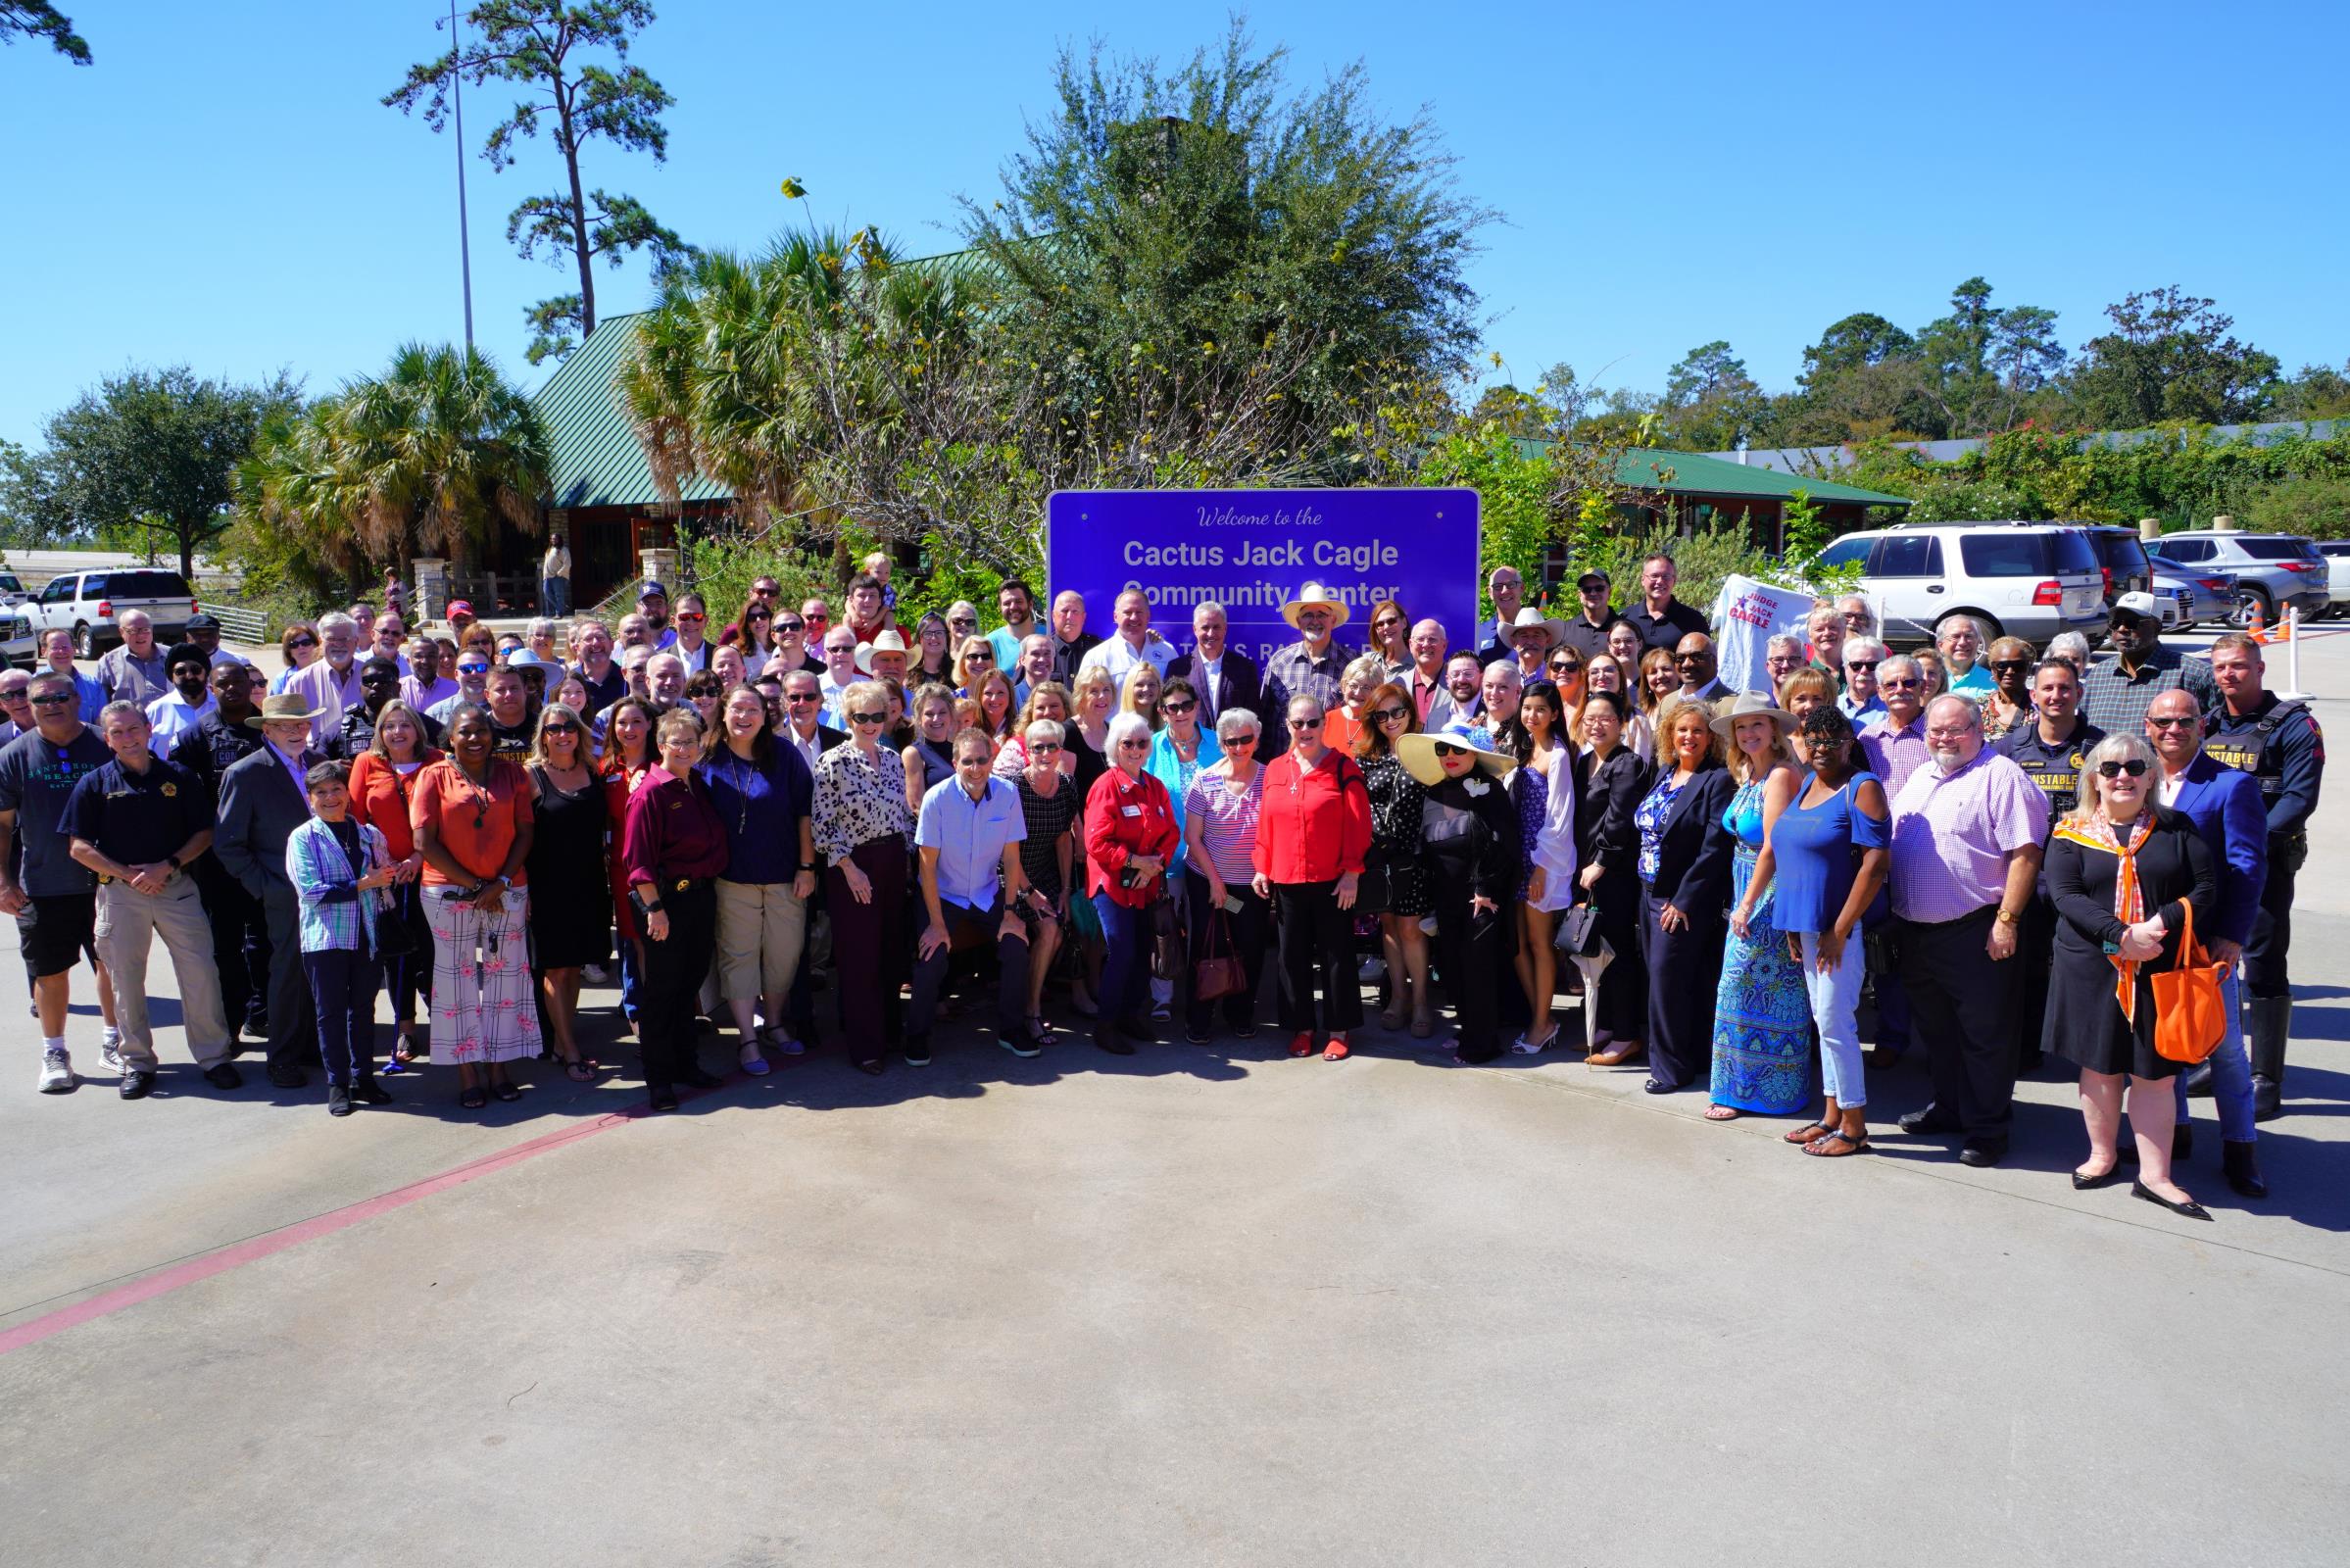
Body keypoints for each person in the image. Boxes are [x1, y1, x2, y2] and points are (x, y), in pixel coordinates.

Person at [2045, 732, 2217, 1218]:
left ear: (2151, 778)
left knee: (2155, 1075)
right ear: (2094, 778)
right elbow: (2067, 896)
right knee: (2099, 1067)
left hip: (2160, 969)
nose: (2124, 776)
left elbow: (2205, 887)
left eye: (2136, 768)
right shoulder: (2068, 832)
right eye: (2111, 768)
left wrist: (2158, 925)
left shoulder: (2178, 828)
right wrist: (2121, 937)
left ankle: (2155, 1175)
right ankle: (2101, 1156)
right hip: (2092, 967)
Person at [1888, 696, 2050, 1167]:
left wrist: (2008, 920)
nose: (1944, 738)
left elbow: (2025, 854)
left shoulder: (2001, 776)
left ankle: (1988, 1128)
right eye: (1936, 731)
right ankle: (1951, 1106)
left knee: (1985, 1035)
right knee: (1938, 1032)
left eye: (1954, 730)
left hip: (1977, 928)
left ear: (1979, 728)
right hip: (1918, 931)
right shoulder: (1922, 776)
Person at [62, 702, 235, 1099]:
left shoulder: (180, 777)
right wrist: (130, 875)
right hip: (120, 895)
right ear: (107, 739)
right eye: (117, 732)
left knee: (200, 973)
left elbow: (204, 833)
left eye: (133, 729)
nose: (128, 738)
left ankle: (213, 1057)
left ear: (148, 728)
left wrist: (167, 865)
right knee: (124, 980)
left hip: (176, 887)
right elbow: (77, 846)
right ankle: (137, 1062)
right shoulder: (94, 784)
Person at [2144, 690, 2268, 1198]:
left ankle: (2240, 1147)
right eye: (2163, 722)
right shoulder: (2138, 777)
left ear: (2202, 725)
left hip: (2206, 943)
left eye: (2184, 721)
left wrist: (2233, 935)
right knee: (2163, 1043)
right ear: (2148, 725)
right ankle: (2177, 1133)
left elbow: (2246, 866)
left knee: (2225, 1050)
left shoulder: (2230, 785)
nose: (2173, 730)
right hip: (2153, 940)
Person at [2200, 632, 2322, 1121]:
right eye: (2221, 668)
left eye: (2239, 666)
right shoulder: (2205, 723)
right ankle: (2218, 1057)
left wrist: (2243, 847)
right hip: (2208, 869)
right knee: (2208, 961)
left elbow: (2298, 798)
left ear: (2259, 668)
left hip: (2264, 867)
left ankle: (2265, 1077)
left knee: (2264, 964)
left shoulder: (2294, 725)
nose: (2230, 675)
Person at [1765, 706, 1890, 1157]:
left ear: (1848, 742)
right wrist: (1795, 926)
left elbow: (1875, 864)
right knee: (1824, 1023)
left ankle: (1855, 1127)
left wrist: (1841, 927)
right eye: (1811, 740)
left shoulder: (1863, 787)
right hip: (1808, 929)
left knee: (1837, 1024)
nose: (1820, 749)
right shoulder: (1805, 787)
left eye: (1830, 741)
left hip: (1842, 932)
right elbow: (1791, 853)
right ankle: (1832, 1116)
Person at [412, 705, 540, 1108]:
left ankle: (499, 1066)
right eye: (465, 731)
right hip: (448, 893)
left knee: (507, 981)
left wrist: (499, 883)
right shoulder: (432, 776)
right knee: (456, 982)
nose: (474, 738)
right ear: (450, 737)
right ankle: (467, 1068)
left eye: (481, 730)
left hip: (507, 891)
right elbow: (424, 843)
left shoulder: (513, 774)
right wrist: (476, 886)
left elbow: (525, 832)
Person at [215, 693, 330, 1088]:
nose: (296, 731)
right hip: (284, 893)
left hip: (329, 889)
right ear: (267, 730)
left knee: (323, 969)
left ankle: (314, 1045)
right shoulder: (246, 773)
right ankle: (282, 1057)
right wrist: (266, 888)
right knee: (287, 974)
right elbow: (228, 843)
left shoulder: (318, 764)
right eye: (285, 725)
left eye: (301, 724)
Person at [1251, 694, 1372, 1061]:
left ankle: (1338, 1030)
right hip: (1287, 878)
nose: (1305, 730)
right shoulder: (1274, 768)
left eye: (1312, 723)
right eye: (1297, 723)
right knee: (1291, 957)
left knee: (1337, 956)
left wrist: (1352, 872)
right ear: (1287, 725)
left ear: (1324, 724)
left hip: (1333, 880)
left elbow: (1359, 824)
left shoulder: (1342, 767)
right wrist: (1262, 865)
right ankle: (1301, 1028)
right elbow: (1266, 823)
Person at [1998, 657, 2105, 1069]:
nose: (2056, 696)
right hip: (2029, 874)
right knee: (2026, 965)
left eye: (2065, 688)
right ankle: (2028, 1046)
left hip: (2084, 876)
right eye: (2048, 688)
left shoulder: (2100, 747)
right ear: (2034, 695)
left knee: (2084, 963)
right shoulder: (2010, 747)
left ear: (2079, 693)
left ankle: (2089, 1047)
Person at [703, 685, 817, 1069]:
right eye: (737, 708)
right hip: (732, 880)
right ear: (723, 711)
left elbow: (805, 813)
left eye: (753, 708)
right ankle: (747, 1039)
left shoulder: (783, 754)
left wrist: (806, 867)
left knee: (783, 957)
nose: (744, 716)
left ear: (764, 715)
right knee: (740, 959)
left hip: (786, 876)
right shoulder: (707, 757)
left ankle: (773, 1024)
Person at [1708, 694, 1811, 1119]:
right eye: (1741, 727)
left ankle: (1768, 1091)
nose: (1748, 733)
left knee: (1751, 988)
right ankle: (1739, 1089)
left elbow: (1773, 846)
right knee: (1744, 992)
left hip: (1770, 892)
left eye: (1757, 725)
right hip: (1745, 884)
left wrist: (1747, 904)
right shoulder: (1750, 771)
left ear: (1773, 730)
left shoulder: (1781, 775)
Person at [906, 727, 1035, 1063]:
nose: (975, 768)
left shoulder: (1008, 794)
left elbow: (1010, 857)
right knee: (931, 956)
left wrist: (1009, 912)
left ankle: (1011, 1029)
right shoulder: (937, 799)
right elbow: (926, 867)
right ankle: (917, 1036)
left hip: (985, 892)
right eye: (967, 761)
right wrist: (936, 923)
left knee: (1016, 947)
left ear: (992, 760)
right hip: (943, 894)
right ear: (954, 762)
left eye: (982, 760)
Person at [1397, 719, 1522, 1062]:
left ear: (1473, 754)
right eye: (1442, 749)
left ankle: (1482, 1045)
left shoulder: (1490, 790)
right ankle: (1468, 1030)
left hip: (1482, 898)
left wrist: (1485, 886)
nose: (1450, 755)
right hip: (1445, 897)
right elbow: (1424, 847)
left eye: (1458, 749)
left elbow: (1503, 844)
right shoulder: (1433, 792)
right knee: (1453, 966)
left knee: (1478, 968)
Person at [622, 710, 728, 1110]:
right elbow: (638, 862)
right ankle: (659, 1079)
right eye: (677, 742)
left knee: (689, 986)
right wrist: (655, 908)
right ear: (662, 745)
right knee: (662, 993)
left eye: (692, 742)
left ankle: (687, 1065)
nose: (685, 748)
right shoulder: (650, 792)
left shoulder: (696, 783)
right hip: (664, 903)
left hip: (700, 898)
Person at [283, 760, 402, 1115]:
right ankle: (337, 1084)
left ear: (348, 794)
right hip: (326, 938)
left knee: (363, 1010)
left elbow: (386, 875)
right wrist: (366, 883)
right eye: (321, 792)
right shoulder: (302, 837)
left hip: (367, 933)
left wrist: (387, 875)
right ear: (310, 800)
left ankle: (362, 1076)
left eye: (336, 790)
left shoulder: (369, 834)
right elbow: (310, 891)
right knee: (330, 1013)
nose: (330, 797)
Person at [812, 679, 917, 1075]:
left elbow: (902, 815)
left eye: (878, 715)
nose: (871, 724)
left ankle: (890, 1032)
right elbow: (822, 825)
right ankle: (865, 1046)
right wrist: (849, 868)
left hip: (891, 860)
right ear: (848, 718)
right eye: (862, 717)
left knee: (891, 951)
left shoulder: (892, 759)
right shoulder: (832, 761)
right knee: (860, 959)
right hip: (852, 866)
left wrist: (906, 859)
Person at [1634, 698, 1736, 1094]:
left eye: (1697, 730)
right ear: (1669, 735)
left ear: (1710, 737)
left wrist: (1684, 900)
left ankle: (1670, 1070)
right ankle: (1680, 1057)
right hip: (1648, 892)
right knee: (1663, 980)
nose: (1688, 736)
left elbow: (1715, 848)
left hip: (1680, 900)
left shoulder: (1717, 779)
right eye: (1681, 729)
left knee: (1668, 983)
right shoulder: (1665, 772)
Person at [171, 661, 270, 1044]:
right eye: (222, 683)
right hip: (217, 860)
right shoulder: (199, 734)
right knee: (224, 946)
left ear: (251, 684)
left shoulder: (269, 726)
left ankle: (264, 1014)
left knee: (266, 943)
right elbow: (177, 785)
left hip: (264, 854)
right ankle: (229, 1024)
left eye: (238, 682)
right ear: (211, 689)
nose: (231, 689)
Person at [520, 703, 608, 1083]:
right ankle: (570, 1049)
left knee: (574, 967)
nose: (562, 734)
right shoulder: (530, 776)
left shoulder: (591, 771)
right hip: (547, 886)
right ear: (543, 735)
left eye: (569, 727)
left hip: (588, 882)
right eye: (554, 728)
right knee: (555, 967)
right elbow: (517, 836)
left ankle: (560, 1040)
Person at [347, 702, 437, 1066]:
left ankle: (449, 1023)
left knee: (435, 954)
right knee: (398, 956)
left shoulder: (438, 760)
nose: (397, 732)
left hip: (433, 872)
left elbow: (448, 818)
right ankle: (406, 1027)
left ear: (418, 729)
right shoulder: (367, 763)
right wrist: (381, 866)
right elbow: (354, 819)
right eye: (389, 726)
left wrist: (419, 857)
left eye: (405, 725)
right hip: (388, 878)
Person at [1086, 710, 1181, 1054]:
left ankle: (1129, 1015)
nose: (1136, 749)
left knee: (1144, 953)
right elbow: (1095, 842)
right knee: (1122, 952)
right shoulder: (1105, 786)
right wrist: (1133, 861)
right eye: (1128, 743)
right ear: (1115, 747)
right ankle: (1106, 1025)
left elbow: (1172, 833)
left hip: (1147, 883)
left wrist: (1155, 866)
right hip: (1112, 885)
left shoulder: (1154, 786)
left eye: (1142, 742)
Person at [1180, 707, 1269, 1044]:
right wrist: (1215, 882)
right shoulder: (1205, 779)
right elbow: (1192, 837)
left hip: (1251, 886)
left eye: (1246, 739)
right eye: (1231, 741)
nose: (1239, 747)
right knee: (1207, 948)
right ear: (1220, 744)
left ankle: (1240, 1014)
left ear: (1256, 740)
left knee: (1249, 948)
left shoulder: (1269, 777)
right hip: (1207, 881)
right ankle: (1199, 1019)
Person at [1574, 690, 1653, 1064]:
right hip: (1587, 872)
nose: (1596, 724)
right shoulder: (1584, 761)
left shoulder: (1628, 763)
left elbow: (1621, 819)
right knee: (1594, 951)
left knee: (1617, 953)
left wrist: (1601, 861)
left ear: (1621, 724)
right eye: (1590, 718)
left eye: (1605, 718)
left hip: (1615, 873)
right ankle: (1603, 1025)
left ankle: (1626, 1035)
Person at [1355, 685, 1433, 1036]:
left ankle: (1420, 1002)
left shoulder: (1427, 751)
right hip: (1378, 858)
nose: (1390, 720)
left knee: (1411, 930)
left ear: (1410, 711)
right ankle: (1398, 998)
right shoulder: (1366, 757)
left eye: (1397, 711)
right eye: (1381, 714)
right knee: (1388, 927)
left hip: (1414, 857)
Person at [1511, 678, 1577, 1053]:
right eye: (1527, 707)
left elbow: (1559, 818)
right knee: (1518, 944)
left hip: (1543, 861)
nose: (1531, 714)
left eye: (1540, 709)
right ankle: (1540, 1015)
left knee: (1539, 944)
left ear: (1554, 714)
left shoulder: (1558, 754)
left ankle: (1541, 1022)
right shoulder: (1523, 750)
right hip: (1518, 859)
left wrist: (1540, 867)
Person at [1011, 718, 1079, 1045]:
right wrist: (1027, 892)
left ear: (1060, 750)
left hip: (1047, 873)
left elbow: (1064, 839)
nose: (1046, 753)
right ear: (1028, 751)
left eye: (1053, 746)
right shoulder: (1014, 788)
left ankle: (1027, 997)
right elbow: (1005, 851)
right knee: (1050, 929)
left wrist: (1065, 889)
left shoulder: (1066, 784)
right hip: (1011, 874)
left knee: (1057, 931)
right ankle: (1031, 1010)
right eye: (1038, 747)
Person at [2081, 591, 2219, 735]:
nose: (2122, 629)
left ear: (2157, 627)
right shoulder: (2098, 675)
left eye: (2132, 623)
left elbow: (2216, 733)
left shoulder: (2193, 673)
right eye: (2115, 623)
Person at [1263, 581, 1358, 722]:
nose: (1315, 621)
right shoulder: (1279, 662)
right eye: (1308, 615)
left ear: (1332, 620)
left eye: (1321, 615)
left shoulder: (1352, 663)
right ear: (1299, 621)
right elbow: (1264, 717)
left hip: (1333, 745)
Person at [1166, 600, 1261, 733]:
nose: (1211, 634)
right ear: (1195, 629)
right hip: (1193, 749)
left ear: (1225, 629)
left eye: (1216, 627)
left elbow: (1253, 717)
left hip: (1233, 749)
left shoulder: (1245, 668)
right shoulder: (1177, 669)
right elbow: (1170, 714)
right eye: (1205, 627)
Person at [281, 611, 366, 747]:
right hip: (317, 761)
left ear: (356, 641)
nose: (338, 644)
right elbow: (285, 728)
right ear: (320, 641)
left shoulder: (371, 677)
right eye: (331, 639)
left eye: (344, 639)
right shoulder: (299, 682)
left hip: (364, 759)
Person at [1078, 588, 1180, 687]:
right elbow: (1083, 699)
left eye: (1139, 612)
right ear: (1115, 616)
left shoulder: (1167, 652)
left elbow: (1179, 693)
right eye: (1128, 612)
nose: (1134, 617)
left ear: (1148, 616)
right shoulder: (1096, 656)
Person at [1622, 554, 1710, 654]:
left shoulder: (1694, 620)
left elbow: (1706, 662)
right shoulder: (1626, 617)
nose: (1660, 581)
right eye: (1654, 576)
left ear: (1674, 581)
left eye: (1666, 576)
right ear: (1643, 580)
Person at [143, 643, 218, 748]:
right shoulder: (156, 710)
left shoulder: (222, 707)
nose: (189, 676)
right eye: (180, 671)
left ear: (206, 673)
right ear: (172, 677)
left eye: (195, 669)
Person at [902, 683, 959, 810]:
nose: (936, 718)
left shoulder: (958, 750)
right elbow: (916, 805)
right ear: (918, 718)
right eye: (929, 714)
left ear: (951, 715)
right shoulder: (913, 753)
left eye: (942, 712)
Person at [96, 610, 171, 708]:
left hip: (169, 719)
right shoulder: (108, 663)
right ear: (122, 632)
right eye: (133, 631)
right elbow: (101, 704)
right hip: (130, 721)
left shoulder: (171, 655)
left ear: (152, 630)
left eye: (145, 630)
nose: (140, 635)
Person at [37, 628, 106, 720]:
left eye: (65, 647)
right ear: (44, 651)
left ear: (74, 650)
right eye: (55, 648)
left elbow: (101, 721)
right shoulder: (32, 685)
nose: (61, 652)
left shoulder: (93, 685)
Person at [1324, 656, 1385, 758]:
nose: (1358, 692)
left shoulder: (1380, 723)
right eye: (1353, 685)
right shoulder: (1327, 719)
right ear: (1343, 686)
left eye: (1366, 687)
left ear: (1376, 691)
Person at [1977, 636, 2035, 739]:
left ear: (2029, 668)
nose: (2010, 672)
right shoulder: (1977, 709)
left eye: (2019, 665)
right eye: (2002, 665)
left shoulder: (2041, 706)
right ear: (1992, 669)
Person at [986, 577, 1044, 671]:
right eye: (1007, 603)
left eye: (1019, 601)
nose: (1013, 607)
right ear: (1000, 608)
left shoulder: (1048, 635)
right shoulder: (990, 643)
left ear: (1030, 604)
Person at [1398, 619, 1450, 724]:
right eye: (1420, 639)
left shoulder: (1458, 683)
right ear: (1411, 645)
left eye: (1432, 639)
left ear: (1444, 645)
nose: (1426, 644)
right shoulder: (1397, 684)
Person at [1475, 565, 1528, 664]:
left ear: (1522, 588)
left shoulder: (1539, 629)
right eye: (1498, 586)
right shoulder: (1479, 633)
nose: (1504, 591)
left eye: (1511, 584)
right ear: (1490, 593)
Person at [1558, 569, 1615, 662]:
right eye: (1586, 590)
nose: (1593, 593)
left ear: (1609, 592)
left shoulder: (1624, 628)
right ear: (1579, 595)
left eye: (1599, 588)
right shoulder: (1565, 630)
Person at [1046, 590, 1101, 684]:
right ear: (1053, 616)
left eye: (1075, 611)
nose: (1069, 616)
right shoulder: (1040, 650)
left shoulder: (1099, 650)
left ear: (1083, 618)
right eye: (1064, 611)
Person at [1506, 608, 1568, 685]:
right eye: (1524, 636)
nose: (1530, 642)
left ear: (1548, 640)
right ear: (1513, 641)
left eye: (1536, 635)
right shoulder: (1506, 679)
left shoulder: (1558, 678)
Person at [1936, 615, 1994, 697]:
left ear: (1978, 643)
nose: (1962, 642)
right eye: (1955, 636)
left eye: (1968, 636)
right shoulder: (1928, 679)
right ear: (1941, 645)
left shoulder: (1993, 682)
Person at [400, 636, 459, 716]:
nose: (425, 661)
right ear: (409, 661)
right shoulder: (398, 689)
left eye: (431, 656)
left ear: (438, 659)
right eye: (419, 656)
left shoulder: (455, 689)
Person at [1673, 632, 1732, 708]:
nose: (1686, 664)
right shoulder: (1667, 703)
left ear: (1714, 661)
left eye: (1696, 657)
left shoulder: (1734, 708)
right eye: (1680, 658)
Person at [1429, 651, 1484, 731]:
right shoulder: (1434, 718)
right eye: (1455, 674)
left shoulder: (1495, 713)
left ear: (1481, 677)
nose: (1461, 680)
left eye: (1468, 674)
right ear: (1447, 680)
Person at [1838, 638, 1887, 723]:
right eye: (1856, 665)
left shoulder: (1893, 708)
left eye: (1872, 665)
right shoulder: (1832, 704)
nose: (1864, 670)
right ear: (1845, 668)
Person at [1803, 601, 1846, 680]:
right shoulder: (1802, 676)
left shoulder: (1857, 671)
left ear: (1844, 632)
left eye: (1833, 628)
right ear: (1809, 636)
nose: (1827, 633)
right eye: (1819, 629)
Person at [1366, 599, 1411, 672]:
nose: (1386, 627)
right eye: (1380, 624)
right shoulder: (1368, 662)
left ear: (1404, 623)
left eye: (1391, 621)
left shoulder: (1418, 664)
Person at [540, 532, 571, 617]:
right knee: (547, 593)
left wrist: (560, 573)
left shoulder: (564, 550)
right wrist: (544, 575)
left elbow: (567, 563)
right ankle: (561, 607)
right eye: (552, 539)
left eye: (555, 539)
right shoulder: (549, 549)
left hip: (558, 577)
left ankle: (559, 613)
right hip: (547, 577)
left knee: (558, 595)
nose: (553, 540)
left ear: (559, 539)